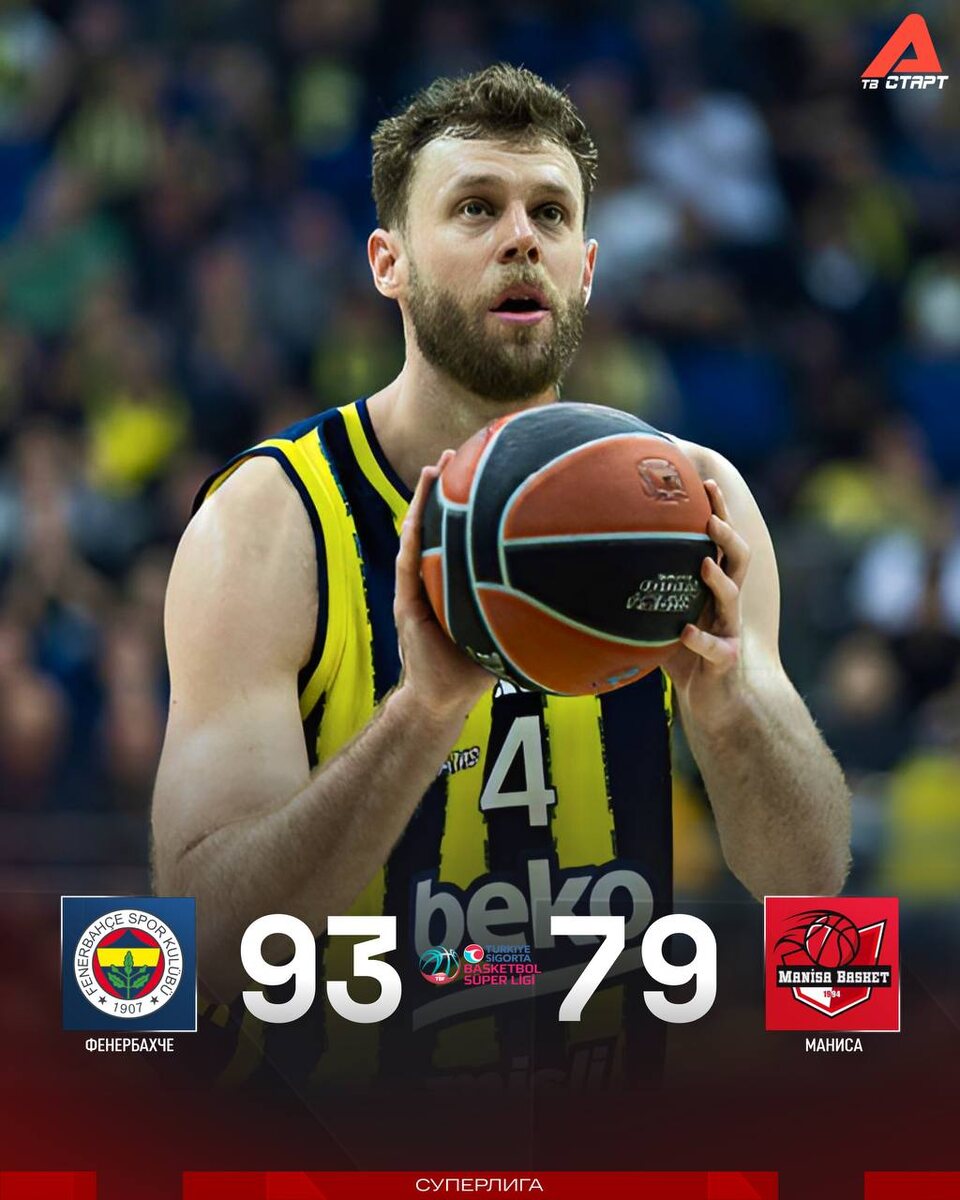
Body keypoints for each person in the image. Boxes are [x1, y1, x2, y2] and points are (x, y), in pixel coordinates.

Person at [152, 64, 850, 1091]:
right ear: (388, 262)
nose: (521, 237)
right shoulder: (268, 522)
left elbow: (808, 883)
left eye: (550, 213)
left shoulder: (694, 502)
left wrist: (731, 706)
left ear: (587, 267)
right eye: (476, 208)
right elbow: (204, 949)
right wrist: (421, 714)